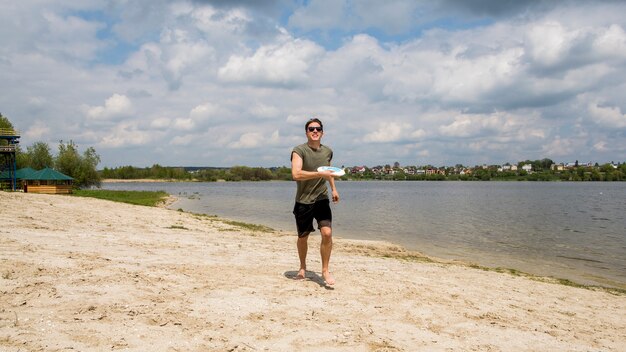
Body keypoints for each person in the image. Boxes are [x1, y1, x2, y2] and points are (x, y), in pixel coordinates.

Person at [291, 118, 340, 286]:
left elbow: (330, 171)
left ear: (322, 132)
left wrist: (333, 188)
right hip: (303, 201)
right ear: (306, 132)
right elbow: (296, 174)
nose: (315, 131)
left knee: (327, 233)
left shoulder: (328, 151)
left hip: (321, 198)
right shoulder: (299, 151)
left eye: (318, 128)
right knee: (303, 237)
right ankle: (303, 267)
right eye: (311, 129)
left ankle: (325, 270)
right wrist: (318, 174)